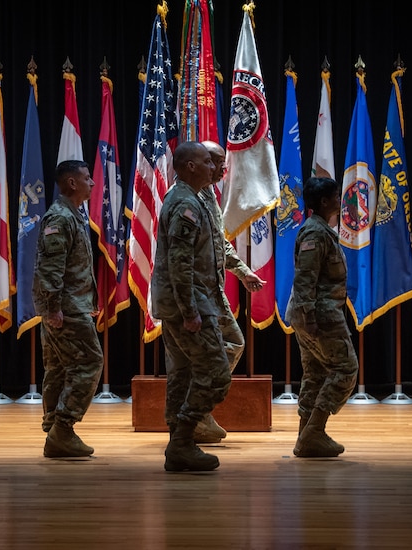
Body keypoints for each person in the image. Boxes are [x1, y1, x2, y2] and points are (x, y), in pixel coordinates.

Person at [151, 141, 231, 472]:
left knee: (182, 374)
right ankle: (182, 439)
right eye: (206, 163)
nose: (214, 167)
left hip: (182, 303)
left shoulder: (189, 199)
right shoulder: (186, 203)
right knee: (216, 373)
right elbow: (180, 263)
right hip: (189, 304)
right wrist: (190, 312)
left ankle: (179, 445)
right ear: (190, 167)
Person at [194, 140, 266, 444]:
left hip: (211, 289)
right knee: (225, 345)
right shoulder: (186, 198)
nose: (223, 168)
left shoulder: (208, 194)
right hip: (196, 293)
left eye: (222, 162)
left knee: (228, 344)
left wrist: (243, 271)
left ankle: (196, 412)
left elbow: (218, 242)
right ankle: (195, 413)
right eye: (217, 162)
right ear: (199, 163)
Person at [33, 159, 103, 458]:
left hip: (71, 306)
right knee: (89, 362)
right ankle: (63, 428)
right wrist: (52, 309)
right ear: (72, 183)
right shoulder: (60, 218)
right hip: (64, 309)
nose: (92, 183)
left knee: (60, 368)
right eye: (87, 178)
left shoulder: (72, 215)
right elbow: (51, 269)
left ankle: (55, 431)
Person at [285, 176, 359, 458]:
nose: (341, 201)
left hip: (315, 314)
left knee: (315, 373)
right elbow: (305, 279)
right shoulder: (315, 234)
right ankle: (314, 431)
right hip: (320, 315)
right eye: (337, 197)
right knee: (345, 369)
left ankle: (306, 437)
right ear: (325, 202)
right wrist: (310, 317)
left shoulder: (321, 231)